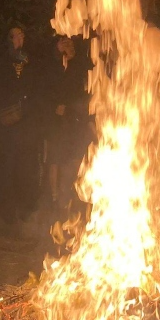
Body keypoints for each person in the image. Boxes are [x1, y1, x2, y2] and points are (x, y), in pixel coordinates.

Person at [0, 26, 47, 222]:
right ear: (9, 39)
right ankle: (8, 211)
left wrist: (27, 110)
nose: (20, 38)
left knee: (27, 167)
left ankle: (27, 209)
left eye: (22, 34)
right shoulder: (2, 61)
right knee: (7, 168)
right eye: (15, 35)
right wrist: (5, 112)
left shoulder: (31, 61)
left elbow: (38, 89)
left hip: (27, 125)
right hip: (7, 126)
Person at [46, 36, 93, 209]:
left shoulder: (79, 65)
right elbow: (49, 87)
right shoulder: (54, 65)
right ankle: (54, 196)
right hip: (57, 120)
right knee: (55, 158)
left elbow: (82, 92)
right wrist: (55, 107)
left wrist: (75, 111)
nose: (69, 47)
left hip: (75, 119)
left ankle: (71, 193)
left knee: (74, 157)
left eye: (71, 44)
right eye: (65, 44)